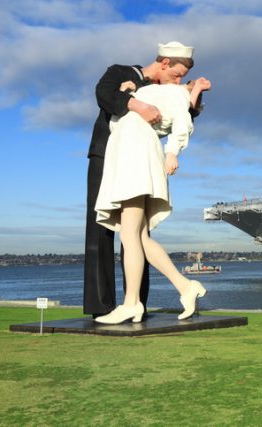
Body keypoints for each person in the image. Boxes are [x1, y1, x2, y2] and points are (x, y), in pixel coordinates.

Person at [84, 41, 197, 318]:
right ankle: (108, 303)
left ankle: (135, 301)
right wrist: (134, 101)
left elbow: (182, 118)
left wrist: (173, 151)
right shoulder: (123, 73)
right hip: (108, 154)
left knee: (132, 233)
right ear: (165, 63)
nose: (178, 80)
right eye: (177, 74)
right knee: (113, 232)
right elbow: (103, 95)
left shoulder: (168, 92)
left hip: (135, 155)